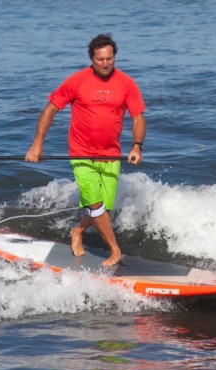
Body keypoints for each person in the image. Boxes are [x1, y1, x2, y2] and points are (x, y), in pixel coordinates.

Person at [25, 33, 146, 267]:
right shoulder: (77, 81)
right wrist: (37, 144)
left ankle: (77, 230)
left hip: (111, 155)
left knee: (104, 212)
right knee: (97, 207)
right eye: (100, 59)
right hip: (81, 155)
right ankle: (115, 251)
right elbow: (50, 110)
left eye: (109, 59)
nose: (105, 64)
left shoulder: (126, 83)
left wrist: (137, 146)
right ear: (91, 58)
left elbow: (138, 117)